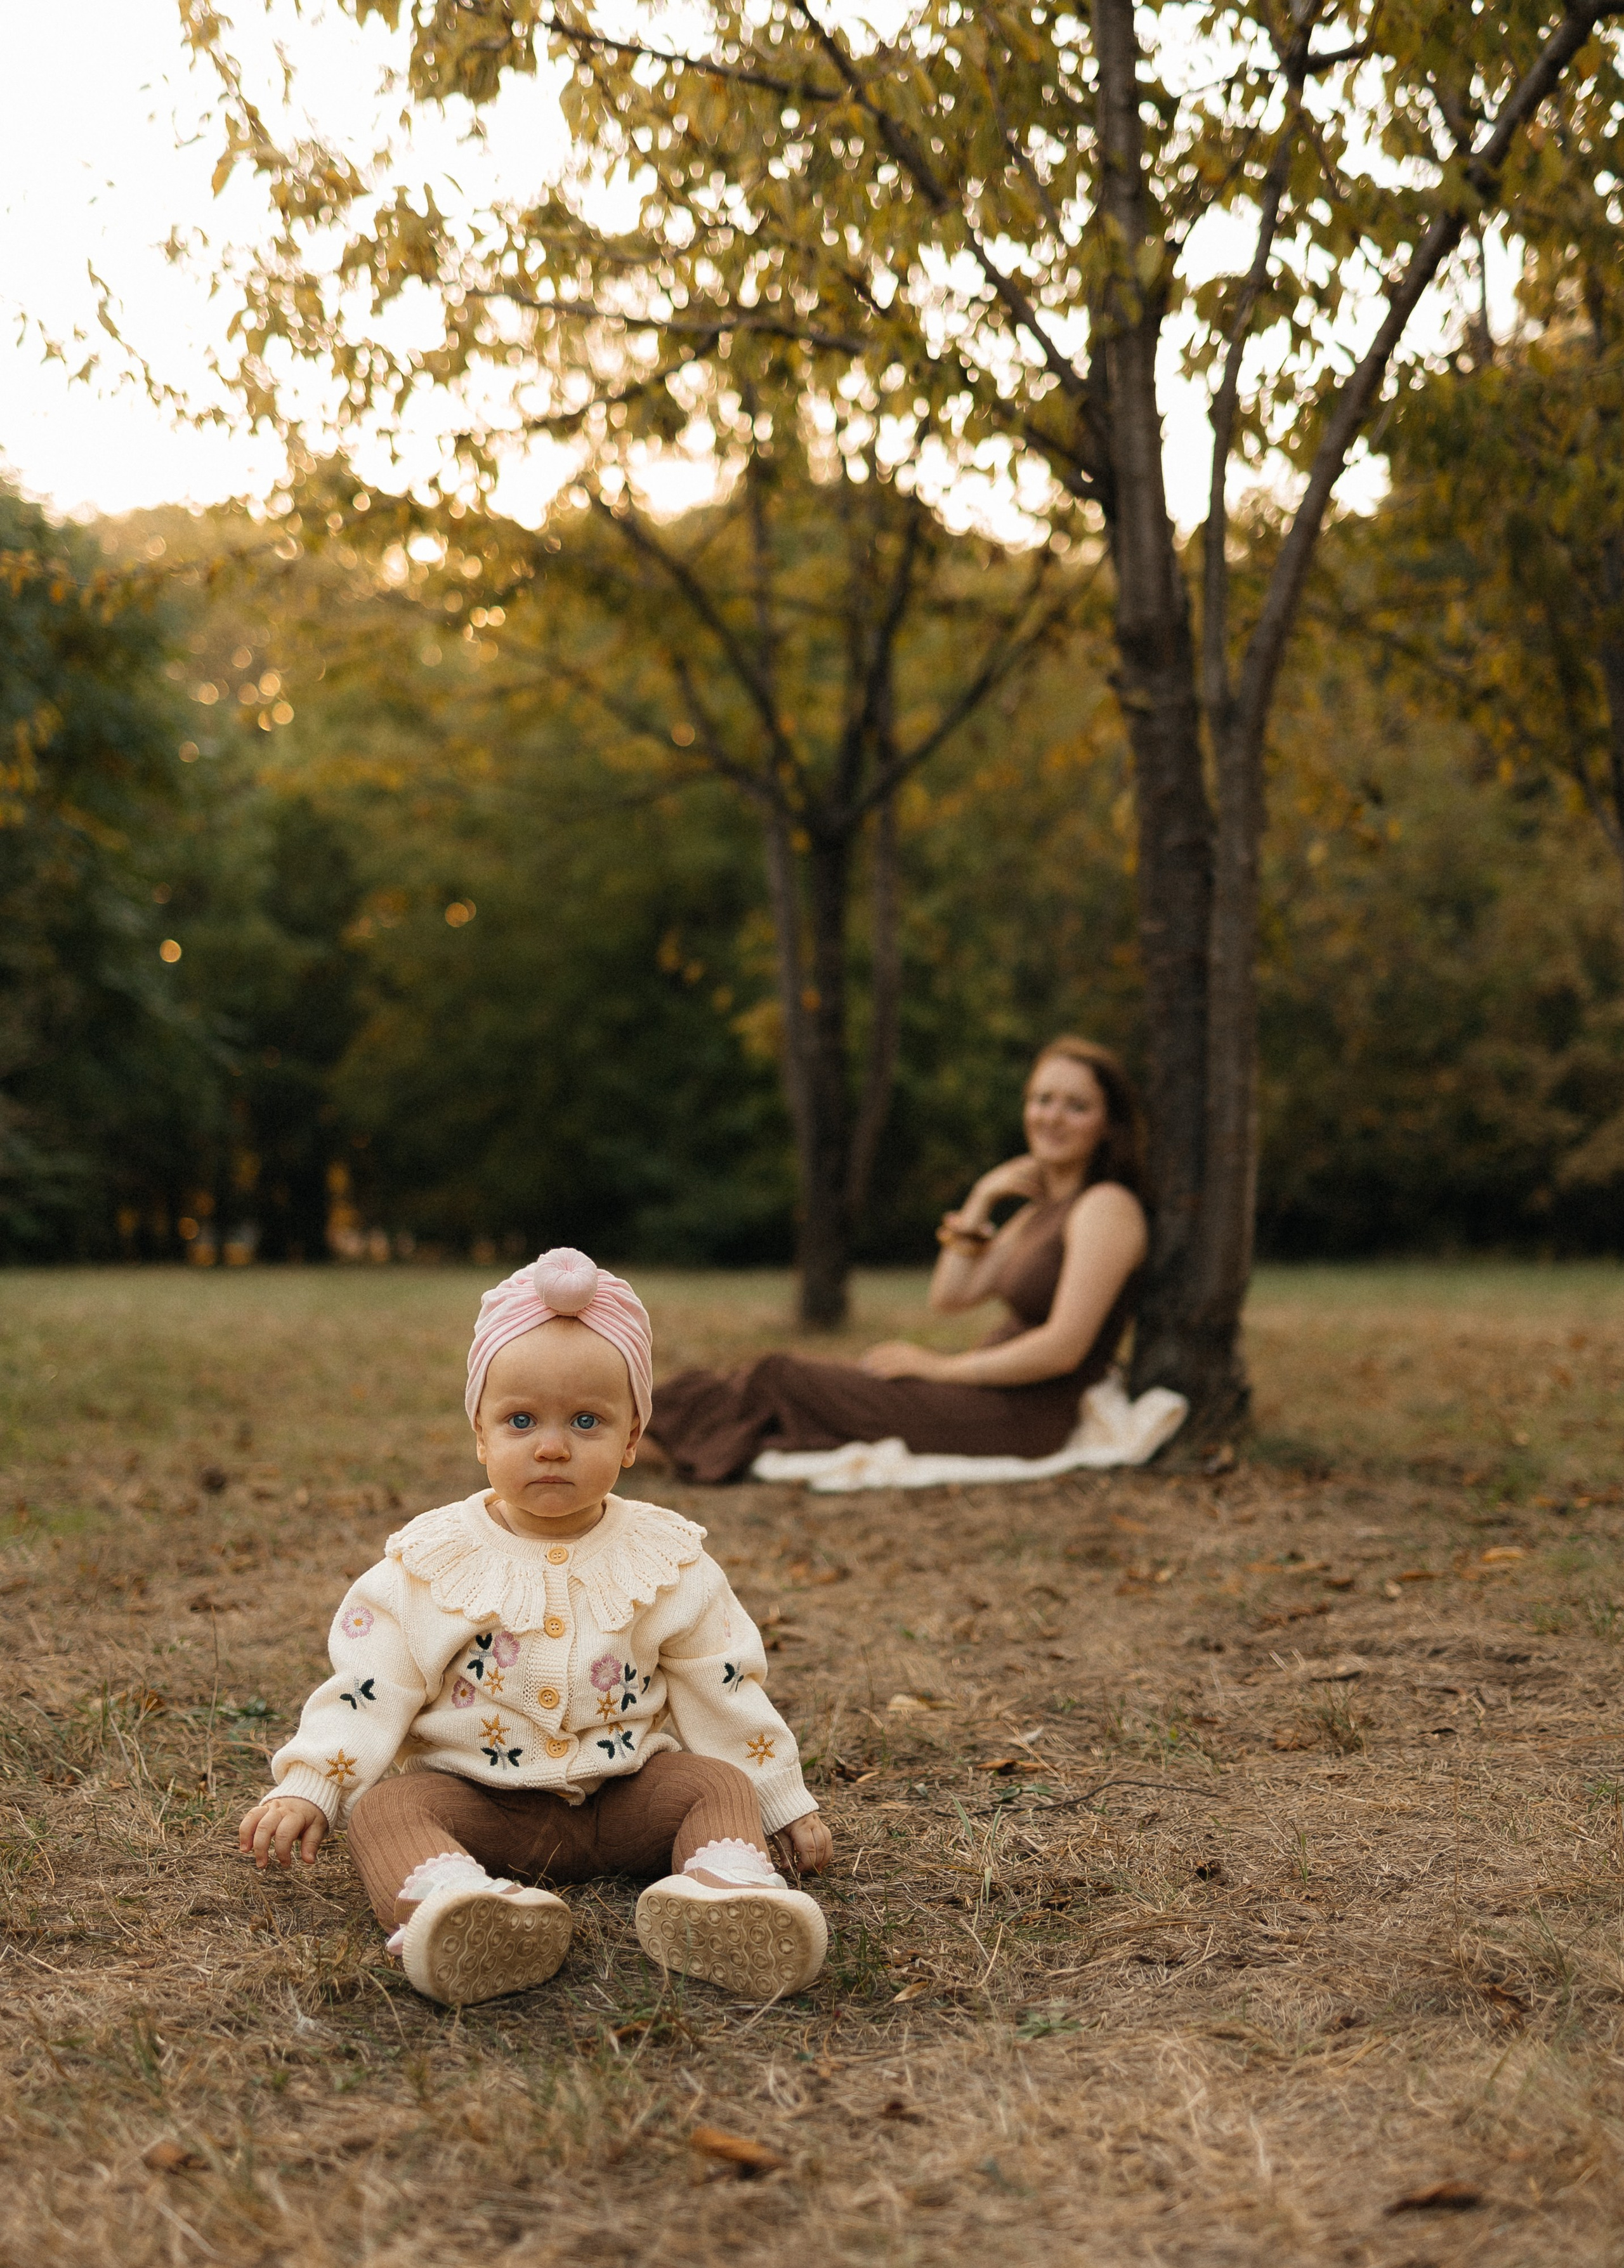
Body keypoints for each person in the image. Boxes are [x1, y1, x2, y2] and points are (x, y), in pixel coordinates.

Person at [237, 1247, 833, 2009]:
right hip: (481, 1804)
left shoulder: (668, 1558)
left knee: (713, 1783)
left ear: (631, 1438)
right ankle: (456, 1908)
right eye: (521, 1420)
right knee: (389, 1809)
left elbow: (721, 1682)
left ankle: (724, 1893)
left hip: (626, 1799)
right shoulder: (428, 1562)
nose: (552, 1444)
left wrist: (780, 1796)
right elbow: (368, 1681)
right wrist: (316, 1782)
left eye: (586, 1420)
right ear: (481, 1434)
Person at [646, 1036, 1151, 1485]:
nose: (1053, 1117)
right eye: (1043, 1099)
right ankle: (620, 1440)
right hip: (983, 1396)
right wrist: (981, 1198)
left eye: (1077, 1105)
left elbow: (1064, 1347)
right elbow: (950, 1296)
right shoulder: (1040, 1213)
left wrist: (942, 1368)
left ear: (1109, 1125)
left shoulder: (1107, 1208)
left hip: (1019, 1414)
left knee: (780, 1377)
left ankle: (621, 1446)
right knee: (763, 1385)